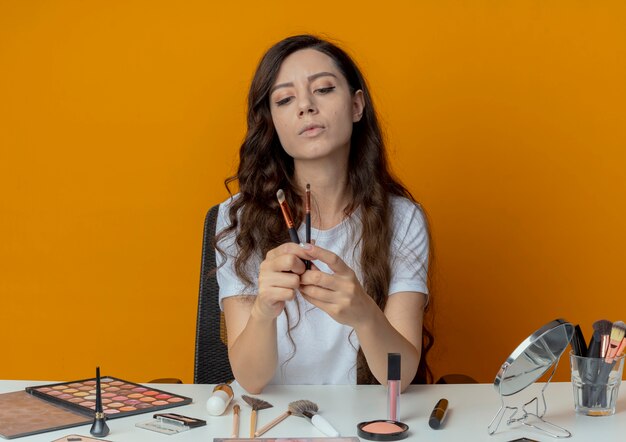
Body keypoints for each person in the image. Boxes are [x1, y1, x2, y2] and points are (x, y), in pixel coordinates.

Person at [215, 35, 431, 394]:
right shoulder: (238, 217)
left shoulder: (403, 218)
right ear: (273, 123)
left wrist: (364, 312)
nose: (305, 106)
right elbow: (251, 381)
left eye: (324, 89)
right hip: (272, 419)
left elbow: (399, 377)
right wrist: (263, 310)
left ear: (356, 105)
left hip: (363, 419)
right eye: (284, 99)